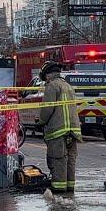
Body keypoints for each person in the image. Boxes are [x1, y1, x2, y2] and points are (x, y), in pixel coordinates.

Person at [37, 61, 82, 193]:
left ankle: (59, 192)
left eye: (45, 77)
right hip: (73, 131)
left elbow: (47, 109)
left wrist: (40, 121)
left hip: (58, 132)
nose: (45, 80)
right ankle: (70, 188)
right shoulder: (68, 86)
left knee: (58, 161)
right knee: (70, 161)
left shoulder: (52, 86)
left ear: (49, 75)